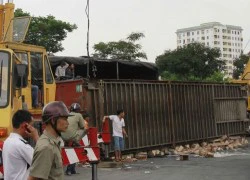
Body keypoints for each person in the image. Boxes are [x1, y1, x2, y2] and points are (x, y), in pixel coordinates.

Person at [28, 101, 71, 180]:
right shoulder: (46, 147)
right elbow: (33, 178)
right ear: (53, 120)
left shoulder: (53, 143)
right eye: (64, 119)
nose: (67, 123)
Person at [2, 110, 39, 180]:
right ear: (24, 126)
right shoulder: (21, 145)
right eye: (31, 125)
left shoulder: (8, 141)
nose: (33, 129)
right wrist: (36, 137)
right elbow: (41, 162)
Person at [61, 103, 88, 176]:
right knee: (85, 129)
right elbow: (82, 126)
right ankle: (76, 140)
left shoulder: (67, 114)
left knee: (72, 150)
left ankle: (72, 170)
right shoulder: (79, 115)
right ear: (78, 110)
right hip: (72, 137)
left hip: (63, 137)